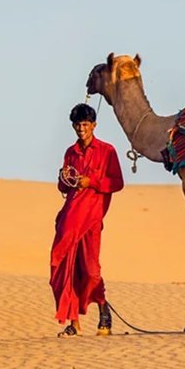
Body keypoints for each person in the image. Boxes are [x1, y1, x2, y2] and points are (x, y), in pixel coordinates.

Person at [50, 103, 124, 337]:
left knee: (91, 271)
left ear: (93, 125)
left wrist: (90, 182)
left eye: (85, 124)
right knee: (66, 269)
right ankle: (73, 323)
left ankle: (102, 305)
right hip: (69, 220)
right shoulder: (70, 153)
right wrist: (64, 179)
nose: (81, 129)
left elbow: (116, 183)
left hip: (91, 221)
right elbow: (64, 186)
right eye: (77, 125)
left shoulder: (107, 151)